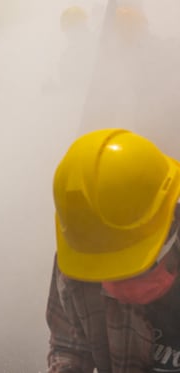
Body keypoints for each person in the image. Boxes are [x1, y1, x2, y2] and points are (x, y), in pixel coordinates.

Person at [47, 128, 180, 372]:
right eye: (101, 273)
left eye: (133, 268)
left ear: (170, 225)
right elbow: (71, 348)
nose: (114, 288)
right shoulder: (80, 258)